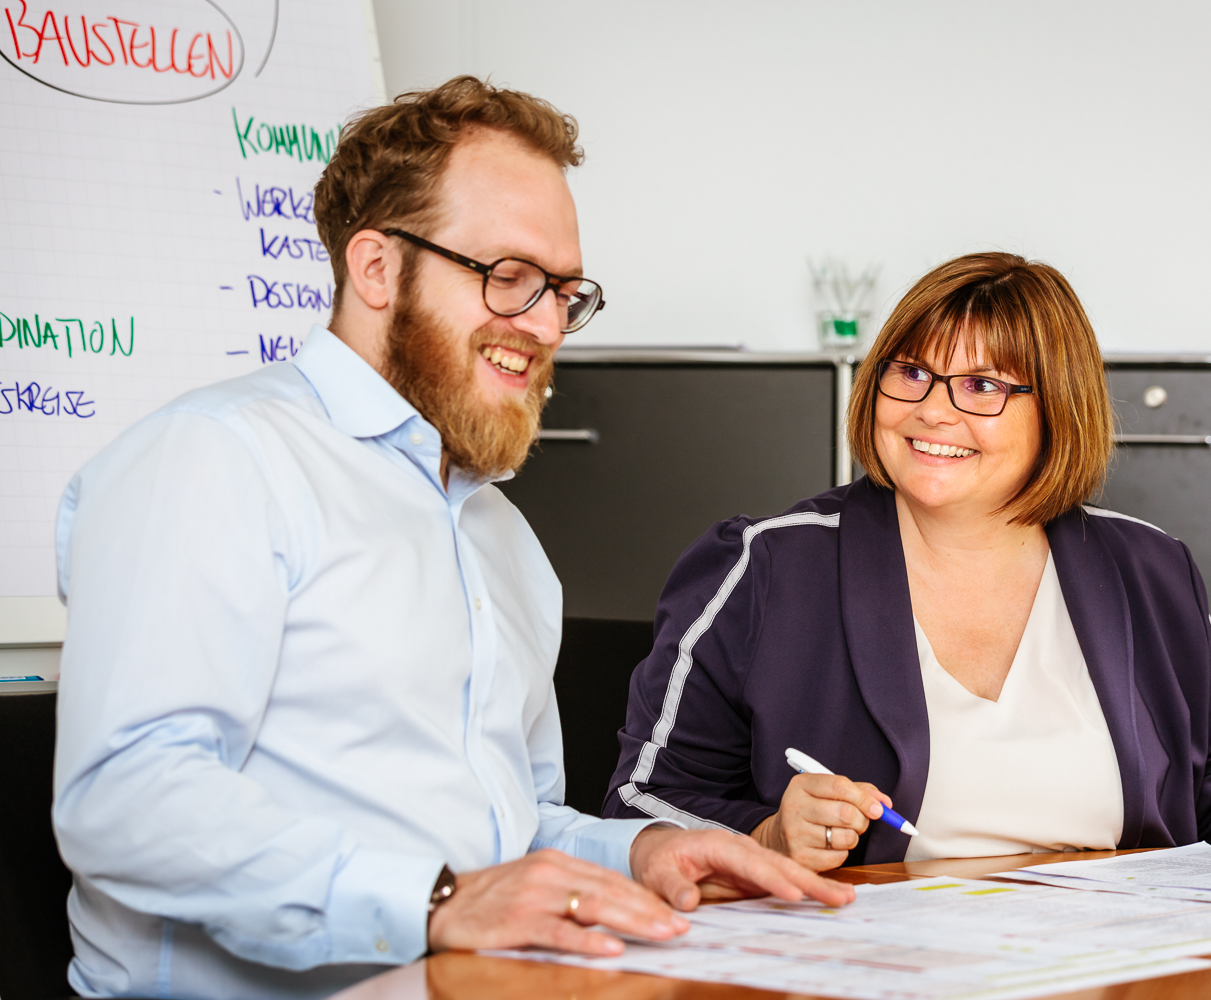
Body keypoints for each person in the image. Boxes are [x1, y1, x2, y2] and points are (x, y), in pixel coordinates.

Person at [50, 77, 851, 1000]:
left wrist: (647, 851)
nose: (547, 325)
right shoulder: (215, 460)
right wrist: (436, 901)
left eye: (563, 291)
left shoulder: (500, 537)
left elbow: (509, 831)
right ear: (378, 268)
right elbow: (127, 802)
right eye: (509, 277)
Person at [603, 252, 1211, 872]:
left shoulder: (1146, 568)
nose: (934, 410)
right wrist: (767, 832)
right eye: (913, 371)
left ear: (1057, 409)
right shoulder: (765, 567)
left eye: (986, 385)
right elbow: (636, 800)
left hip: (1110, 963)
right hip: (875, 968)